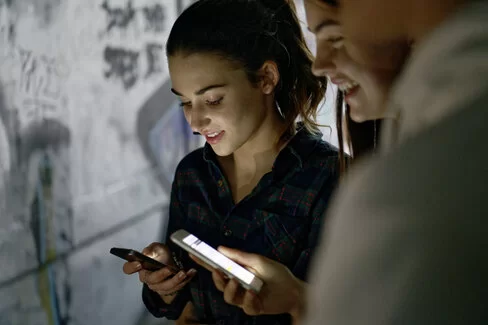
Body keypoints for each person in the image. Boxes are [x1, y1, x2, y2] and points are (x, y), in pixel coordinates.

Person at [122, 0, 341, 324]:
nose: (195, 122)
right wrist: (168, 282)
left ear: (266, 78)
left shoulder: (330, 179)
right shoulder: (192, 175)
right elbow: (186, 309)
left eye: (212, 99)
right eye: (184, 101)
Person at [189, 0, 408, 320]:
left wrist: (300, 300)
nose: (320, 64)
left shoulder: (331, 176)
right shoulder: (193, 173)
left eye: (334, 37)